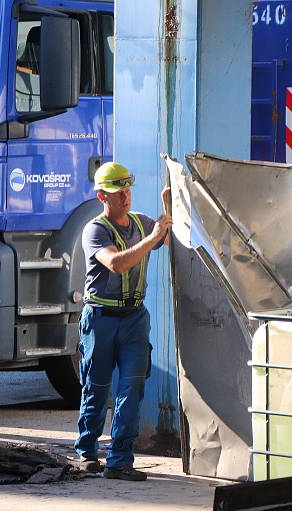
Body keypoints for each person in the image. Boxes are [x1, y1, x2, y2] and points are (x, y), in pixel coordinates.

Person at [75, 161, 172, 481]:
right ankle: (86, 452)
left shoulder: (143, 223)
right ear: (103, 196)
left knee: (132, 388)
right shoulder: (95, 230)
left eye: (127, 191)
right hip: (101, 317)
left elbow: (166, 236)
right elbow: (116, 263)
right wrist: (152, 237)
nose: (126, 197)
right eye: (118, 193)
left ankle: (119, 460)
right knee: (97, 387)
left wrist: (168, 209)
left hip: (133, 318)